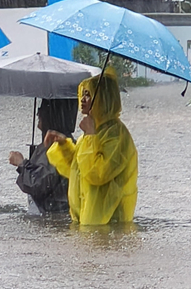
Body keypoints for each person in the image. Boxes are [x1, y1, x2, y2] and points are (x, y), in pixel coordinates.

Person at [45, 66, 138, 225]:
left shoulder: (116, 135)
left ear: (104, 98)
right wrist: (64, 147)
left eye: (88, 95)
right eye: (82, 94)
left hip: (110, 224)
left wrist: (90, 137)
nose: (82, 99)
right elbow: (78, 171)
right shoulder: (92, 132)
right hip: (88, 223)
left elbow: (97, 174)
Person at [8, 99, 77, 214]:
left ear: (53, 114)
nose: (38, 113)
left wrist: (22, 164)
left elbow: (38, 185)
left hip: (54, 215)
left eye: (43, 109)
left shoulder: (59, 147)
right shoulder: (51, 144)